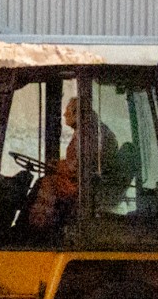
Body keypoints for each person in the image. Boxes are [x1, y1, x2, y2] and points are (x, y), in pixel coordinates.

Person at [27, 96, 132, 229]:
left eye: (67, 111)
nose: (64, 114)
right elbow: (82, 160)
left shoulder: (87, 133)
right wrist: (60, 164)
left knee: (47, 183)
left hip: (87, 187)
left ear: (77, 113)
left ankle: (36, 228)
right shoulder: (96, 129)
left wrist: (58, 165)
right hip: (94, 183)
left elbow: (77, 167)